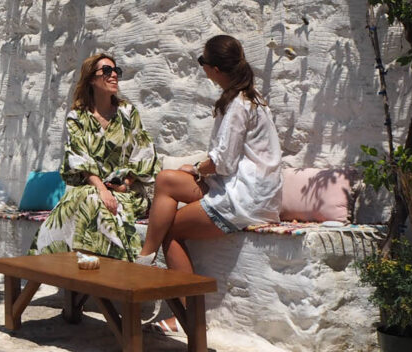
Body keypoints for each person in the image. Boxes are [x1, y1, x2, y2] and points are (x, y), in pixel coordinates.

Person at [137, 34, 282, 274]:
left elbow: (223, 163)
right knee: (166, 179)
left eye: (202, 60)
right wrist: (196, 169)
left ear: (214, 69)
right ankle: (145, 257)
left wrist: (195, 168)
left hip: (244, 197)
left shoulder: (239, 105)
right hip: (244, 190)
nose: (201, 65)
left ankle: (182, 307)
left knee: (170, 232)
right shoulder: (250, 99)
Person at [32, 53, 161, 261]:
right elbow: (79, 157)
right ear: (92, 79)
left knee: (89, 203)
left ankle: (102, 272)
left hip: (128, 191)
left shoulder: (128, 112)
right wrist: (102, 189)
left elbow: (144, 154)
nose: (114, 76)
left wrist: (125, 184)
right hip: (93, 188)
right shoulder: (78, 118)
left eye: (116, 71)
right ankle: (51, 266)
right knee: (85, 200)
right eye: (107, 71)